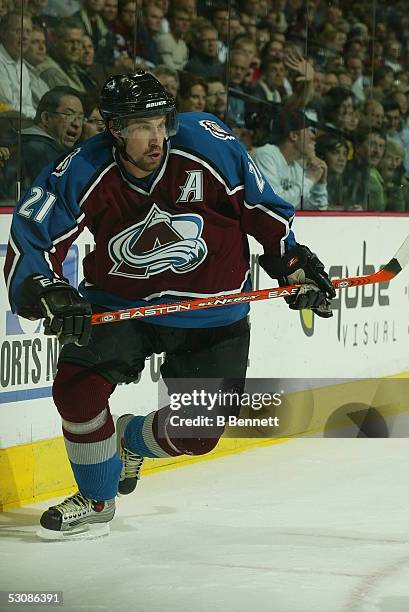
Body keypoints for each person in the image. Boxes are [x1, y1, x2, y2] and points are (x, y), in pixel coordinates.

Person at [4, 71, 335, 539]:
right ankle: (97, 500)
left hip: (213, 310)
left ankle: (131, 439)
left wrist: (293, 264)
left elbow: (263, 211)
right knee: (76, 391)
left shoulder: (209, 145)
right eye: (141, 126)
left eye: (161, 123)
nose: (156, 137)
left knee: (197, 435)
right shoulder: (82, 167)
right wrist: (45, 287)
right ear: (115, 129)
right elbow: (32, 234)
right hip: (123, 303)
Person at [253, 109, 328, 211]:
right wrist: (310, 179)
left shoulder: (295, 167)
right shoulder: (265, 155)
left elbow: (315, 209)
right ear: (293, 136)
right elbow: (275, 204)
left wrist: (320, 183)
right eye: (308, 130)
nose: (313, 136)